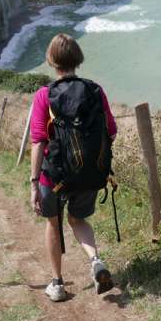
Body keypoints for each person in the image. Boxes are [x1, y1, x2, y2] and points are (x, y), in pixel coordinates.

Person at [30, 33, 118, 302]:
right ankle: (96, 261)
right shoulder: (94, 90)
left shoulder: (45, 95)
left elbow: (38, 142)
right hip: (89, 173)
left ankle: (57, 284)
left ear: (51, 61)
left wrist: (34, 183)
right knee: (78, 219)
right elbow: (111, 132)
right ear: (78, 59)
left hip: (53, 177)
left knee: (54, 224)